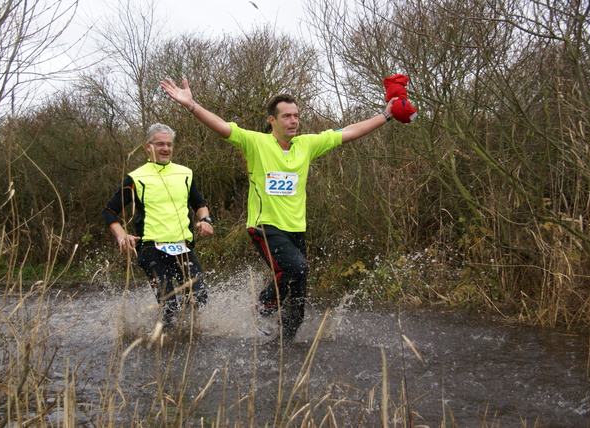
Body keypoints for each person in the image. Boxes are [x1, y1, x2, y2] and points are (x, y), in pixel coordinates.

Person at [160, 78, 397, 339]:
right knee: (297, 269)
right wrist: (192, 105)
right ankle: (262, 307)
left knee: (298, 298)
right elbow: (222, 127)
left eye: (296, 116)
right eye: (286, 116)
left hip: (296, 230)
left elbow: (349, 132)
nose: (293, 121)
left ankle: (285, 341)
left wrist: (386, 115)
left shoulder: (307, 145)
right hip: (264, 226)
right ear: (272, 120)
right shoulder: (256, 143)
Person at [101, 123, 214, 327]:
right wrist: (121, 235)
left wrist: (205, 220)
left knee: (199, 296)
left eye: (169, 144)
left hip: (182, 247)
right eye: (160, 144)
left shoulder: (185, 173)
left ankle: (189, 339)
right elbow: (109, 211)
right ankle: (164, 342)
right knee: (169, 304)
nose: (165, 149)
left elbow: (199, 204)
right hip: (151, 248)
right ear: (148, 147)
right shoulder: (135, 178)